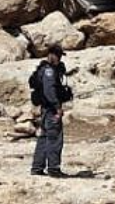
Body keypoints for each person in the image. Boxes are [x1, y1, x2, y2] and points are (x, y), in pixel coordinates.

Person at [31, 45, 70, 178]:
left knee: (44, 137)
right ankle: (53, 168)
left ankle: (37, 168)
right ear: (52, 55)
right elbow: (49, 91)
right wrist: (57, 107)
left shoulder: (45, 69)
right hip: (51, 109)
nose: (59, 59)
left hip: (46, 109)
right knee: (54, 137)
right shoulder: (48, 71)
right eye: (58, 56)